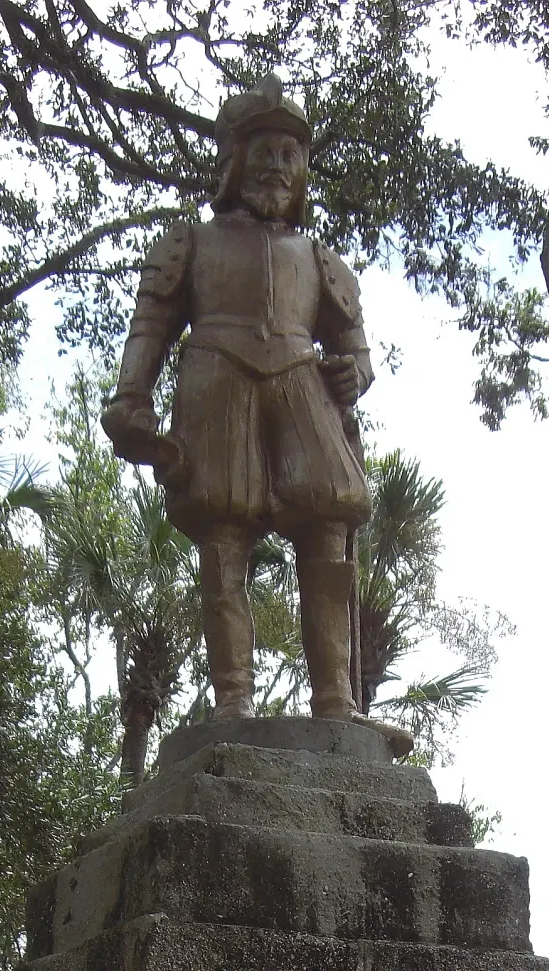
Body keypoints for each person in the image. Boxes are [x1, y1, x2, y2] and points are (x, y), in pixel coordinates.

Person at [102, 76, 373, 720]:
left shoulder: (322, 260)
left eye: (290, 153)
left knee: (326, 522)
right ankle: (234, 698)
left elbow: (357, 349)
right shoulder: (190, 244)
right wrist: (131, 397)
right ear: (234, 158)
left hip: (301, 382)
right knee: (222, 530)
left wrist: (353, 374)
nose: (278, 165)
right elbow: (151, 326)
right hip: (216, 379)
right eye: (265, 150)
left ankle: (334, 695)